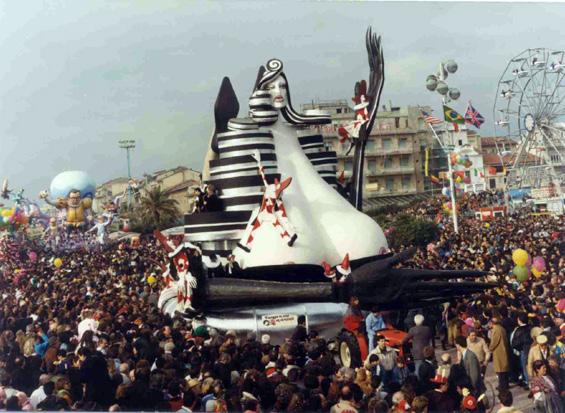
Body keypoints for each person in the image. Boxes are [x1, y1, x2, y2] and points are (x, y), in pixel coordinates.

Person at [489, 315, 511, 392]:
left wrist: (490, 348)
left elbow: (494, 342)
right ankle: (505, 384)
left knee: (500, 370)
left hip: (499, 352)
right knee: (503, 369)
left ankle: (503, 386)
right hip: (503, 350)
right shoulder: (502, 328)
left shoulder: (496, 330)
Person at [510, 312, 532, 388]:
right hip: (532, 349)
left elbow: (514, 344)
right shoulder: (531, 327)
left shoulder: (518, 330)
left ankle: (529, 383)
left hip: (524, 351)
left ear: (519, 320)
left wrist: (520, 350)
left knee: (525, 368)